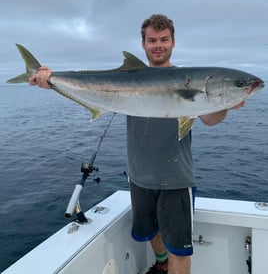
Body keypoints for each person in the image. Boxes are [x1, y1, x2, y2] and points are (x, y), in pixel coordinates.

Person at [29, 14, 244, 274]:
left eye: (164, 40)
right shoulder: (132, 75)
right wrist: (51, 82)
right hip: (138, 176)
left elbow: (210, 118)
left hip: (176, 179)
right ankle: (161, 264)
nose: (158, 45)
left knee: (180, 248)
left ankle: (169, 263)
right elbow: (90, 90)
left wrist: (226, 105)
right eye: (152, 40)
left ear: (173, 42)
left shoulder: (190, 81)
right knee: (150, 232)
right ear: (143, 44)